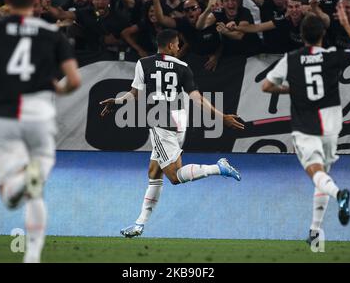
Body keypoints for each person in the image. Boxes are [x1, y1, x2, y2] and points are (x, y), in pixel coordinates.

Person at [0, 0, 81, 262]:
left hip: (2, 114)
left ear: (6, 1)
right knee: (36, 189)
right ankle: (31, 256)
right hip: (38, 114)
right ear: (36, 1)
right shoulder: (51, 33)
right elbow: (74, 81)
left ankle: (16, 185)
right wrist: (58, 86)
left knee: (9, 195)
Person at [100, 29, 245, 238]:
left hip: (160, 124)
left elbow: (134, 95)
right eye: (177, 44)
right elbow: (197, 98)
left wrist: (117, 102)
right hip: (179, 123)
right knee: (154, 173)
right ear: (169, 46)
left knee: (175, 177)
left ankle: (218, 168)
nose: (178, 47)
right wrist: (221, 116)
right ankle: (139, 224)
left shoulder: (144, 63)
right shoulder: (183, 67)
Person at [261, 5, 350, 248]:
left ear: (301, 35)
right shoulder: (331, 55)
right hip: (331, 124)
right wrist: (347, 26)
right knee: (322, 176)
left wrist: (289, 88)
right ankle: (315, 232)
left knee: (316, 174)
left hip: (305, 124)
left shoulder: (291, 59)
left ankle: (339, 194)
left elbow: (266, 86)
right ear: (322, 35)